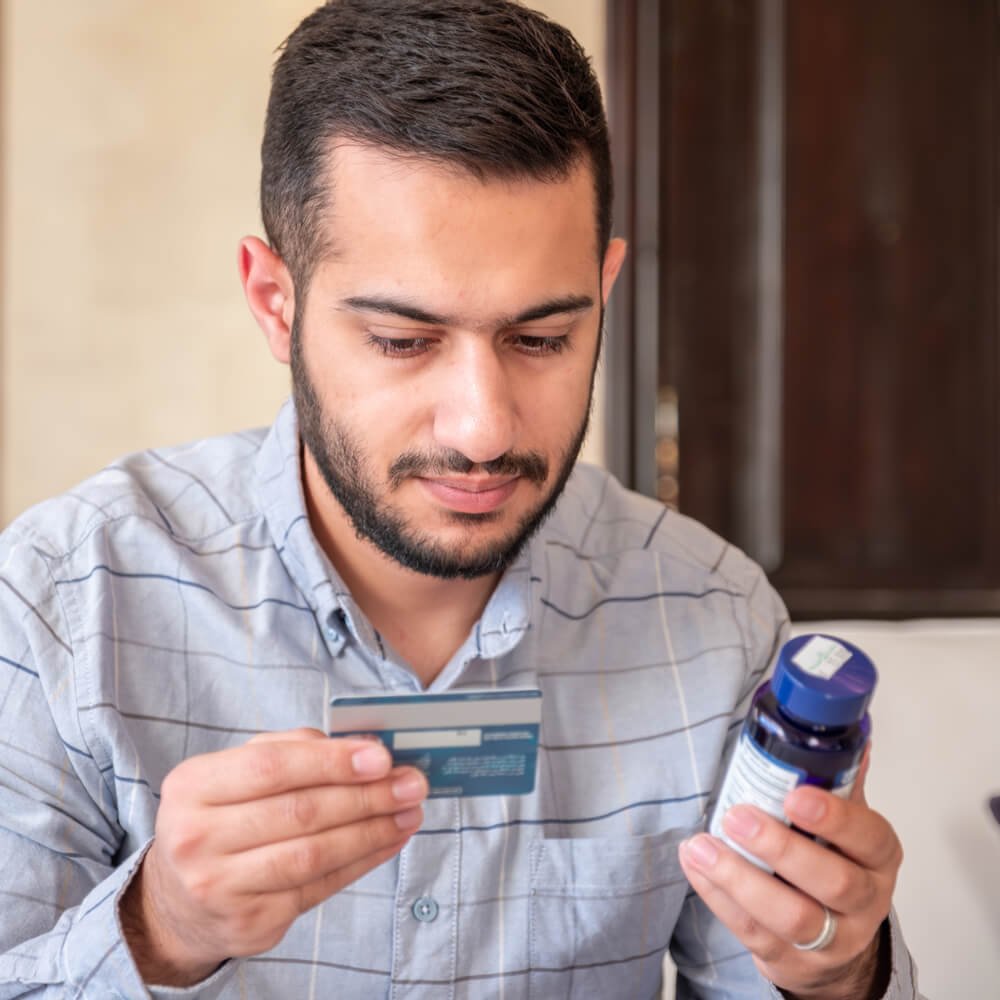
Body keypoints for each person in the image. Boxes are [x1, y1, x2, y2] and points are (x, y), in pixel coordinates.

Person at [0, 2, 923, 997]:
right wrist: (159, 927)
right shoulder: (63, 602)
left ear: (603, 293)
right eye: (403, 341)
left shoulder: (712, 621)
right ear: (276, 301)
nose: (483, 429)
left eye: (541, 339)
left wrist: (837, 973)